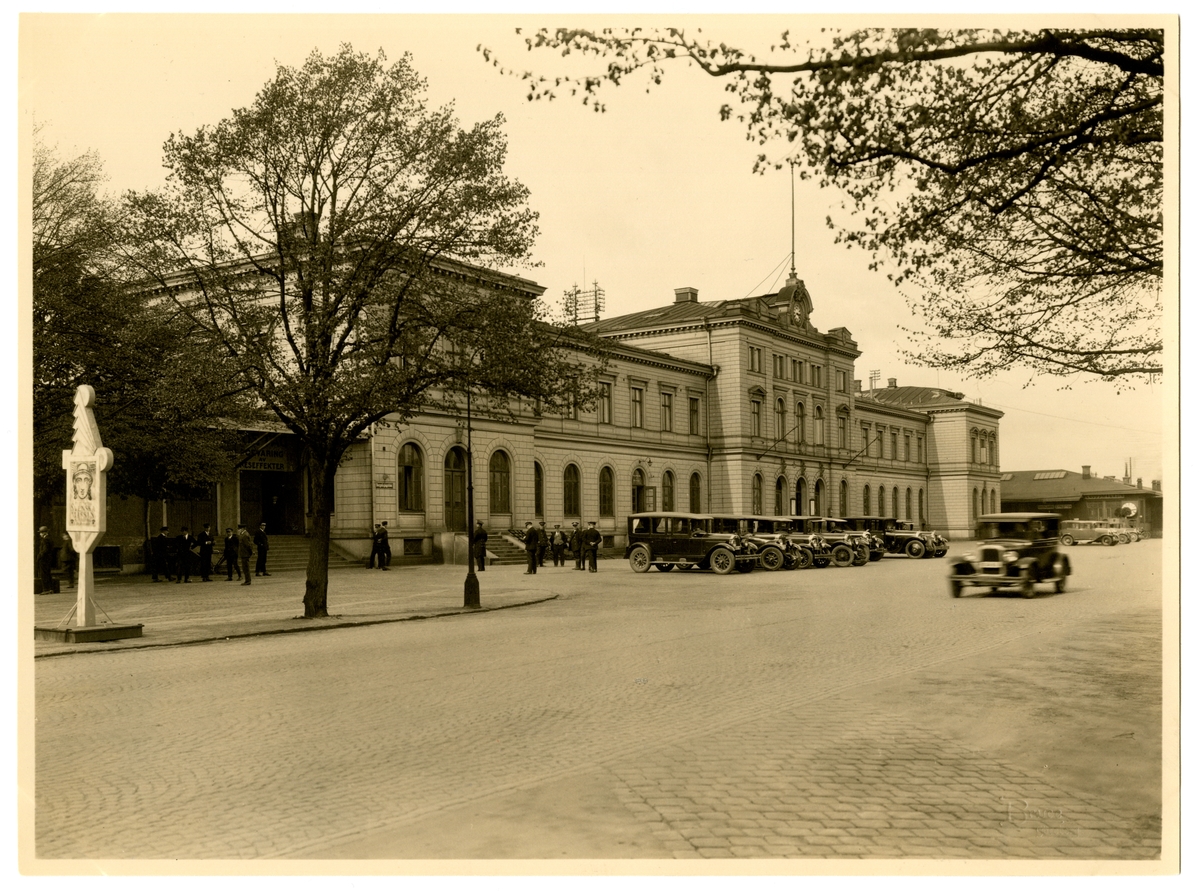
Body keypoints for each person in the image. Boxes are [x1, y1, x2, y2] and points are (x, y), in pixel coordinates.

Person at [36, 526, 56, 594]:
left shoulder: (45, 540)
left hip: (44, 559)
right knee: (48, 574)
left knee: (43, 574)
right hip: (48, 559)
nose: (40, 534)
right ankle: (50, 588)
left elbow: (45, 550)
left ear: (44, 533)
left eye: (41, 533)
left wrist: (39, 556)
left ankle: (46, 589)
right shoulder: (50, 538)